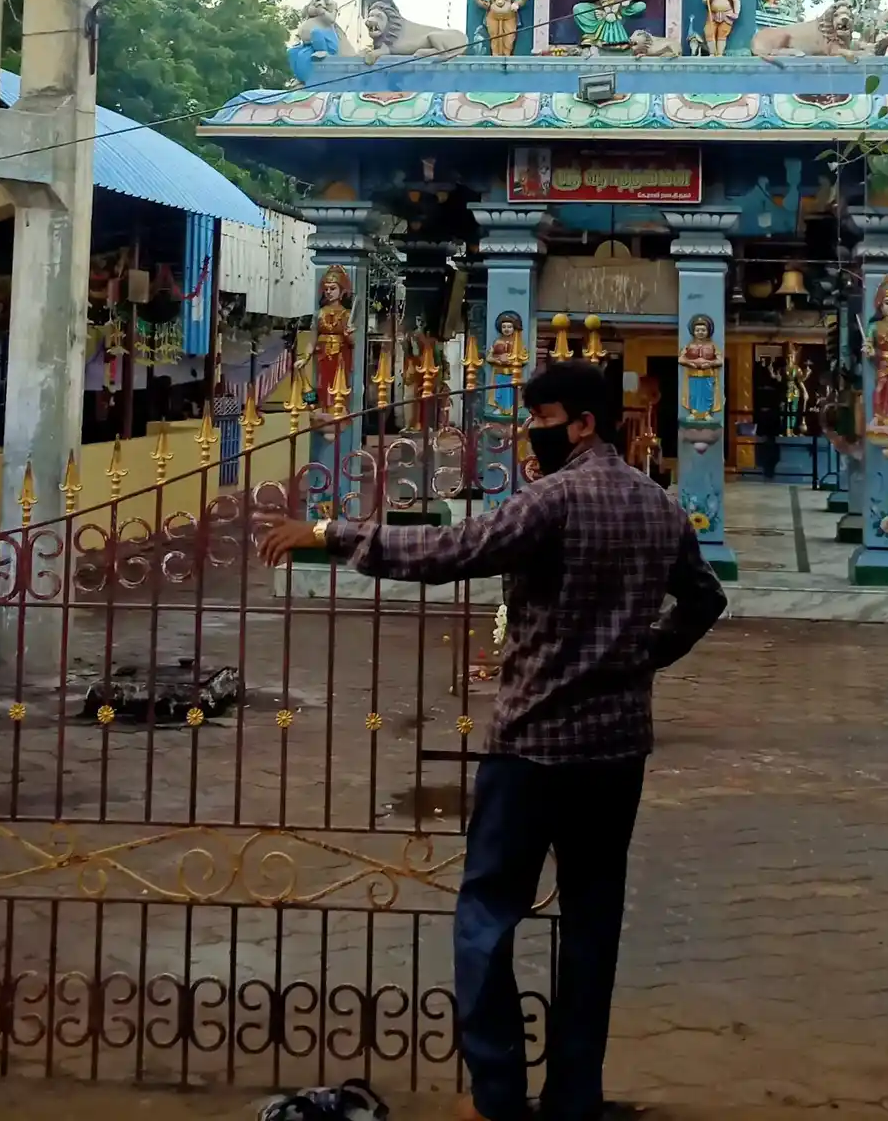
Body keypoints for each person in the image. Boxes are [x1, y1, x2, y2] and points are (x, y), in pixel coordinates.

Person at [257, 359, 725, 1121]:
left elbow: (453, 551)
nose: (528, 435)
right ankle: (574, 1097)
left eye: (541, 420)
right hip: (615, 752)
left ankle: (499, 1097)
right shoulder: (658, 506)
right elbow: (705, 599)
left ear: (583, 424)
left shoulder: (552, 500)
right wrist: (642, 656)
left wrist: (330, 532)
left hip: (532, 747)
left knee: (486, 917)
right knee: (593, 922)